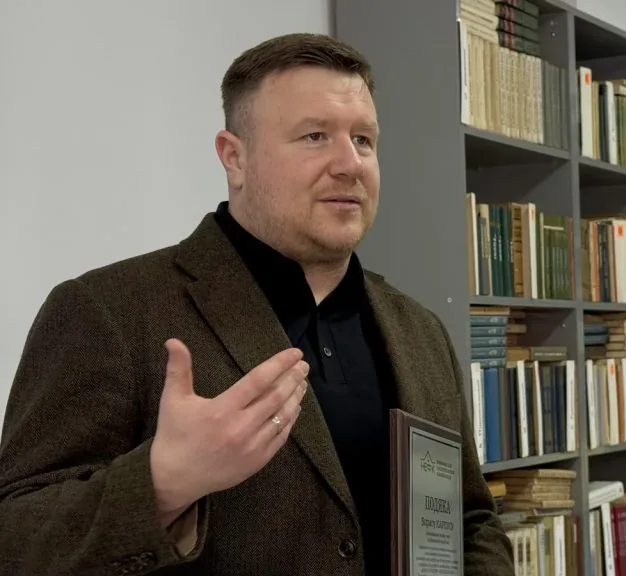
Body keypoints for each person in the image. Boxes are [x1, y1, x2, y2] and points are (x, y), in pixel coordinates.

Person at [0, 33, 515, 576]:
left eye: (364, 140)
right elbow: (14, 538)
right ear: (234, 157)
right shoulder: (107, 311)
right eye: (315, 136)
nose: (350, 163)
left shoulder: (421, 330)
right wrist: (163, 483)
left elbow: (472, 520)